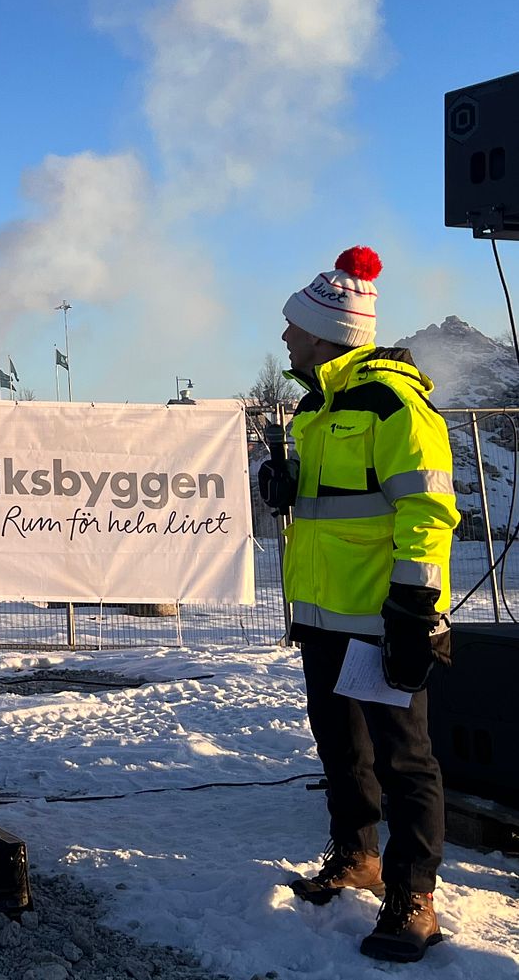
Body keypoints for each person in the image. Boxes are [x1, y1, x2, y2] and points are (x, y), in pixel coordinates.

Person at [259, 246, 455, 964]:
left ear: (326, 334)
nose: (286, 336)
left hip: (381, 618)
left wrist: (413, 605)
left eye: (295, 327)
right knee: (341, 746)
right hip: (323, 615)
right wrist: (287, 486)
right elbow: (332, 506)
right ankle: (357, 856)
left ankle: (414, 897)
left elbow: (428, 510)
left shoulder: (394, 404)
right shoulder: (318, 405)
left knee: (405, 759)